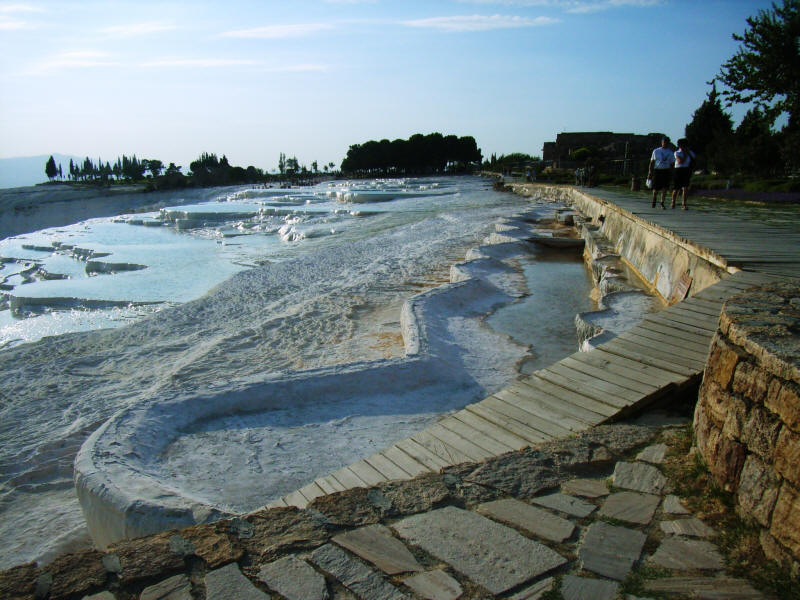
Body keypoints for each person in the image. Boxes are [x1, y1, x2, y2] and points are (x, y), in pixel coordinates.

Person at [648, 136, 674, 208]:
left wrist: (671, 173)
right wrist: (650, 171)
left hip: (666, 170)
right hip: (657, 170)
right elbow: (652, 162)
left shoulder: (670, 152)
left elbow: (672, 163)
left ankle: (662, 202)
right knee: (656, 187)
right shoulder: (656, 151)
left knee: (665, 187)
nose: (665, 143)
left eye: (666, 142)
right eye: (664, 142)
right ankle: (654, 199)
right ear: (662, 142)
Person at [671, 138, 695, 210]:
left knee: (685, 187)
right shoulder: (677, 153)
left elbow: (694, 159)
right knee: (676, 188)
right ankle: (673, 202)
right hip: (678, 169)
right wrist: (685, 154)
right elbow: (680, 161)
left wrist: (689, 153)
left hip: (686, 170)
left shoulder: (690, 152)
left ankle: (684, 204)